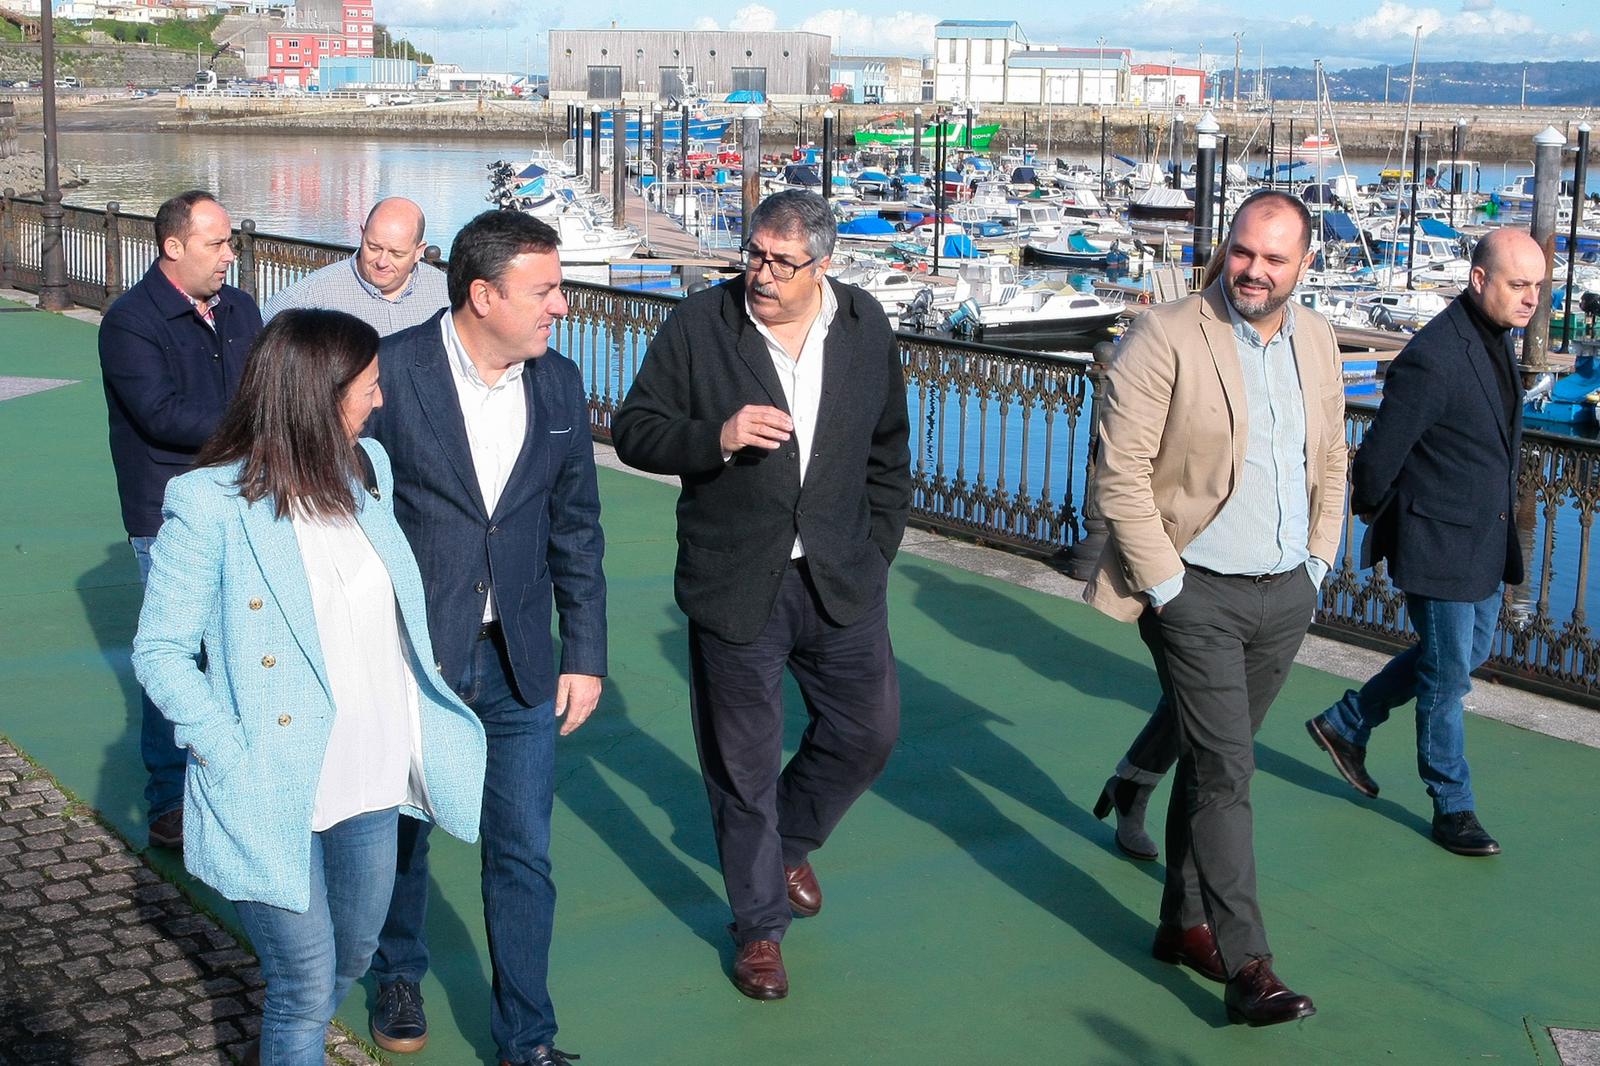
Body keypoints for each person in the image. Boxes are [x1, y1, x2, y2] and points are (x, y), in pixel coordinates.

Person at [130, 309, 488, 1065]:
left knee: (351, 959)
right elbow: (161, 650)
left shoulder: (368, 473)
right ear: (320, 397)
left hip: (370, 772)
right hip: (270, 779)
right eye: (369, 388)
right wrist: (227, 750)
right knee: (301, 982)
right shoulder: (209, 503)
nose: (380, 401)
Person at [612, 190, 911, 1000]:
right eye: (754, 254)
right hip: (736, 578)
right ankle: (758, 930)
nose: (762, 273)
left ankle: (786, 845)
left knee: (869, 732)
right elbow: (635, 428)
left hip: (842, 575)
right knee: (741, 769)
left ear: (824, 264)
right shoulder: (700, 326)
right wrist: (716, 437)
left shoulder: (863, 325)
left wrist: (878, 546)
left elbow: (888, 447)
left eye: (782, 261)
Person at [1084, 190, 1346, 1026]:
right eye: (1243, 252)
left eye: (1274, 259)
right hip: (1193, 591)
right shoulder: (1165, 336)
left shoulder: (1316, 338)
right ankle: (1249, 966)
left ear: (1305, 264)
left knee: (1208, 761)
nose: (1254, 271)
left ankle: (1178, 924)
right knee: (1229, 769)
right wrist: (1168, 587)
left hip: (1286, 592)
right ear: (1223, 248)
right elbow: (1119, 473)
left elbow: (1332, 458)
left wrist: (1319, 560)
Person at [363, 209, 606, 1066]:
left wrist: (585, 653)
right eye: (545, 291)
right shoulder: (390, 374)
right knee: (402, 833)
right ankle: (397, 972)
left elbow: (577, 528)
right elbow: (348, 516)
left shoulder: (560, 385)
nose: (562, 306)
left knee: (523, 852)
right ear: (482, 295)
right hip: (417, 657)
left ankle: (527, 1041)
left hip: (523, 665)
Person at [1305, 228, 1540, 858]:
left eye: (1538, 287)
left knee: (1464, 656)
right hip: (1436, 543)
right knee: (1446, 679)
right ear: (1480, 279)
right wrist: (1371, 512)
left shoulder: (1493, 343)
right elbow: (1381, 452)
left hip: (1482, 543)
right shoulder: (1435, 354)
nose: (1531, 300)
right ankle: (1452, 806)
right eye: (1519, 285)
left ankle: (1348, 721)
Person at [99, 189, 262, 850]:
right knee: (177, 654)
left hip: (248, 503)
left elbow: (265, 383)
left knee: (244, 647)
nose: (230, 255)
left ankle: (239, 782)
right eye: (217, 244)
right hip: (166, 515)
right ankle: (169, 796)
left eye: (230, 243)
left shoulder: (244, 308)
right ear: (173, 246)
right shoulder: (130, 320)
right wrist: (261, 430)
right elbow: (160, 416)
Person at [262, 197, 447, 335]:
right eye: (373, 247)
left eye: (396, 254)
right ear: (362, 234)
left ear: (418, 251)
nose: (382, 262)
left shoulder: (446, 293)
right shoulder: (309, 295)